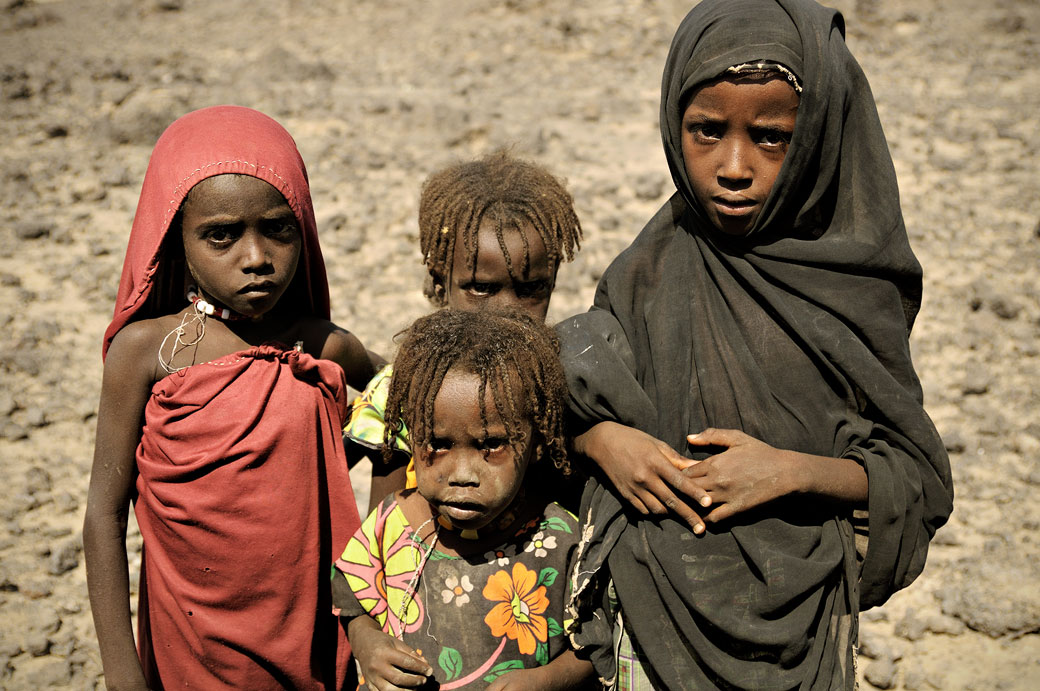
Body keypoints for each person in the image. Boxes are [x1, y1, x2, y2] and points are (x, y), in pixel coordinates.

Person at [558, 1, 954, 689]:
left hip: (801, 635)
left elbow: (914, 479)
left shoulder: (852, 286)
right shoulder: (649, 271)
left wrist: (795, 471)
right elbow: (566, 388)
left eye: (771, 137)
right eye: (706, 131)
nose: (733, 166)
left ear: (819, 139)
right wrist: (602, 442)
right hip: (646, 625)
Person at [82, 105, 383, 690]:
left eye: (278, 229)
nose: (256, 259)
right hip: (189, 641)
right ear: (176, 240)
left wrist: (374, 553)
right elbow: (103, 514)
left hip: (309, 635)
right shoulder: (147, 353)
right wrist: (123, 672)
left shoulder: (323, 348)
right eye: (221, 235)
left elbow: (404, 404)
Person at [333, 309, 595, 690]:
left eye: (491, 445)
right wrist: (367, 643)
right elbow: (350, 594)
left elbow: (595, 643)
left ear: (537, 442)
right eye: (438, 444)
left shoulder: (560, 541)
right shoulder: (396, 522)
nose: (462, 474)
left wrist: (545, 681)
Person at [346, 150, 583, 508]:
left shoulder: (562, 385)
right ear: (440, 281)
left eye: (530, 289)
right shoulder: (401, 395)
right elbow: (384, 535)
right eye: (482, 288)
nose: (506, 312)